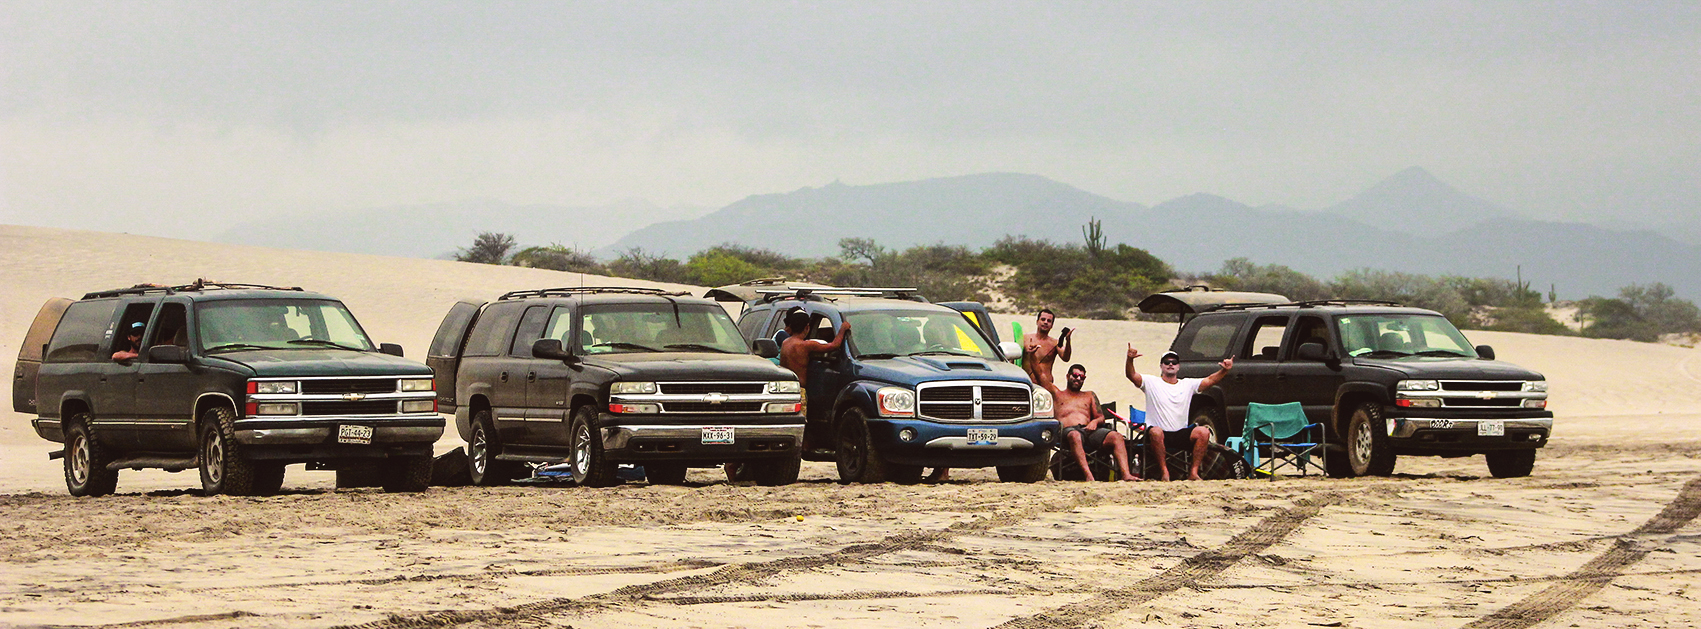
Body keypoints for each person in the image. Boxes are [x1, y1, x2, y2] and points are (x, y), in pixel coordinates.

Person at [1125, 347, 1233, 481]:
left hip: (1180, 433)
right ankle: (1164, 472)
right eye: (1167, 362)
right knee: (1156, 432)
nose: (1170, 364)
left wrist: (1225, 370)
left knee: (1203, 432)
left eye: (1174, 362)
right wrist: (1130, 360)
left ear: (1178, 367)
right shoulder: (1151, 382)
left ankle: (1193, 472)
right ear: (1161, 366)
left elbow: (1210, 380)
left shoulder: (1187, 384)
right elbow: (1131, 375)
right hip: (1158, 433)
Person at [1044, 364, 1138, 482]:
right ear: (1068, 376)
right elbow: (1041, 376)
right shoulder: (1057, 394)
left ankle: (1126, 475)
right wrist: (1031, 356)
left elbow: (1100, 417)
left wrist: (1094, 421)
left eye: (1082, 377)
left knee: (1116, 436)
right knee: (1075, 435)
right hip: (1067, 433)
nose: (1078, 379)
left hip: (1089, 430)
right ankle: (1089, 476)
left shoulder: (1089, 395)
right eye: (1076, 375)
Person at [1022, 309, 1072, 390]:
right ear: (1037, 321)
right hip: (1026, 383)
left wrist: (1068, 341)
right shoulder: (1025, 338)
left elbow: (1066, 358)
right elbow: (1013, 357)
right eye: (1043, 319)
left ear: (1052, 325)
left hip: (1045, 386)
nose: (1045, 322)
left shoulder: (1055, 343)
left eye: (1049, 321)